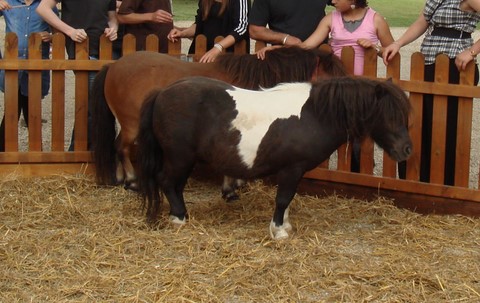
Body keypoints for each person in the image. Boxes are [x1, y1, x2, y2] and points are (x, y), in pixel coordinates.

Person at [382, 0, 480, 185]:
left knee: (448, 128)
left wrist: (472, 52)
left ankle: (447, 185)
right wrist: (398, 43)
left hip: (454, 66)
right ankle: (421, 181)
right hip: (428, 63)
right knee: (421, 122)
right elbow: (423, 21)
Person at [36, 0, 119, 150]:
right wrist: (70, 31)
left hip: (107, 48)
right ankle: (84, 150)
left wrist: (113, 29)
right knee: (96, 102)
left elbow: (112, 17)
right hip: (83, 49)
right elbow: (42, 9)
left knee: (97, 102)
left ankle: (82, 150)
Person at [0, 0, 57, 152]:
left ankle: (34, 153)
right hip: (13, 66)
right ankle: (5, 151)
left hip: (37, 66)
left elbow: (58, 30)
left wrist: (50, 36)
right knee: (12, 108)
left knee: (32, 109)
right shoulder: (9, 3)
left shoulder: (46, 4)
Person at [167, 0, 250, 63]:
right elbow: (199, 24)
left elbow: (242, 27)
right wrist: (182, 33)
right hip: (202, 55)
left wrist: (218, 47)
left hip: (229, 59)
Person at [248, 0, 330, 46]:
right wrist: (284, 38)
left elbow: (342, 3)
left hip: (319, 56)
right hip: (284, 57)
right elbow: (254, 30)